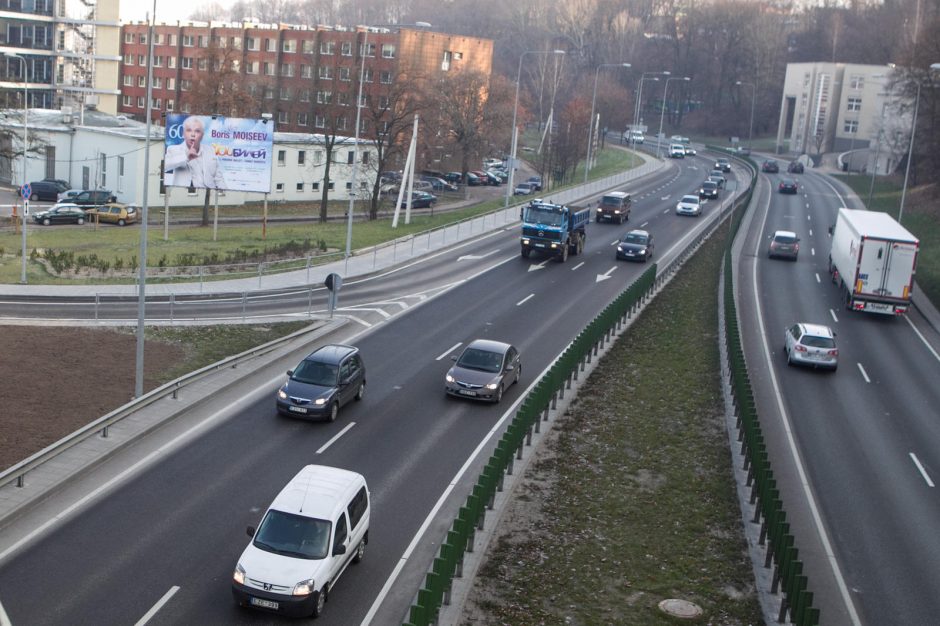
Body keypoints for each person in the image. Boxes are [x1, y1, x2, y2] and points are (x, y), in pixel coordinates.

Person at [164, 116, 225, 189]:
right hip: (183, 194)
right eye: (189, 130)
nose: (193, 134)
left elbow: (218, 178)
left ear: (202, 135)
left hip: (208, 194)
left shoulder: (211, 150)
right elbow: (165, 166)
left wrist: (225, 193)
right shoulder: (173, 149)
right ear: (183, 134)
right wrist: (186, 157)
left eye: (197, 131)